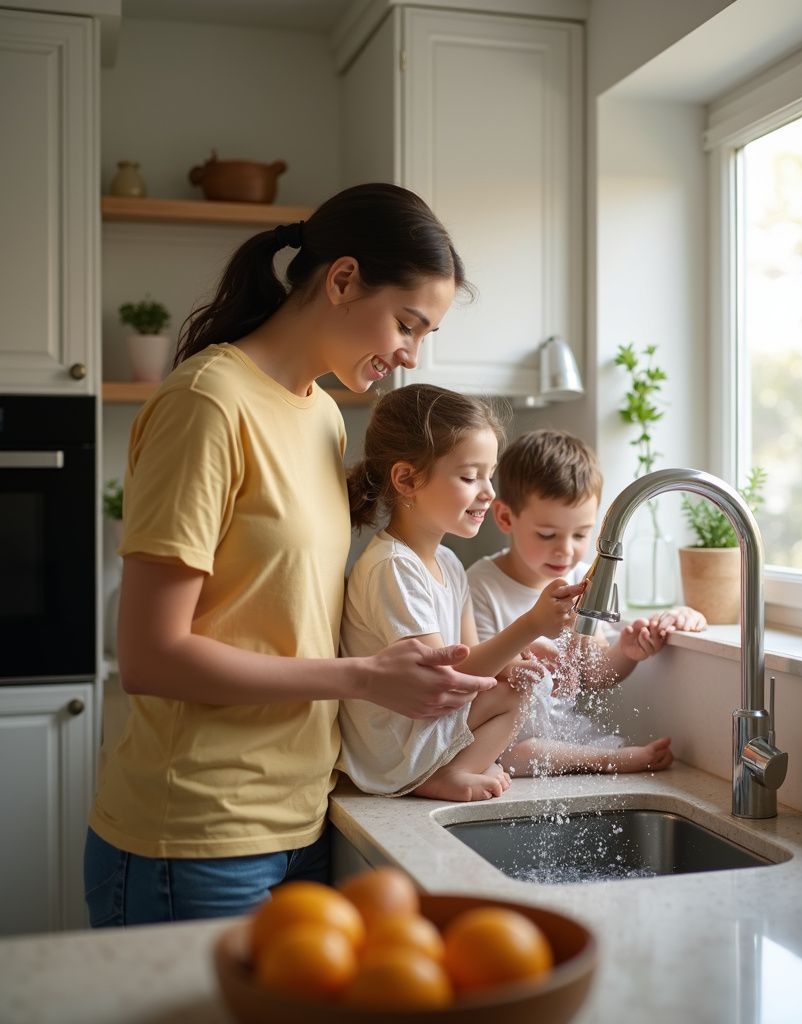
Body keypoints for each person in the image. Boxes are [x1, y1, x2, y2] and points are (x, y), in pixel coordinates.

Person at [85, 183, 500, 927]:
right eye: (407, 324)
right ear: (342, 280)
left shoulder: (323, 418)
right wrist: (366, 680)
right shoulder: (208, 405)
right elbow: (149, 655)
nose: (408, 354)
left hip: (304, 815)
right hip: (197, 833)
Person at [339, 385, 587, 803]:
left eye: (489, 475)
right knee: (511, 690)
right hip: (395, 751)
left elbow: (471, 657)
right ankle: (437, 775)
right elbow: (441, 681)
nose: (488, 492)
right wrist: (529, 627)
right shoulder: (394, 567)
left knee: (517, 682)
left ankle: (450, 768)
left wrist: (517, 658)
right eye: (470, 477)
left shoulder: (450, 564)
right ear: (407, 479)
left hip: (424, 729)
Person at [467, 429, 707, 777]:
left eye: (581, 534)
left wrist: (627, 651)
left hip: (562, 737)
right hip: (496, 738)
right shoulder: (482, 584)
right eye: (547, 535)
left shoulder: (585, 578)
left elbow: (594, 673)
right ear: (505, 518)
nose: (565, 550)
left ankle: (598, 756)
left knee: (551, 745)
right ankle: (611, 761)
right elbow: (476, 675)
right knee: (517, 752)